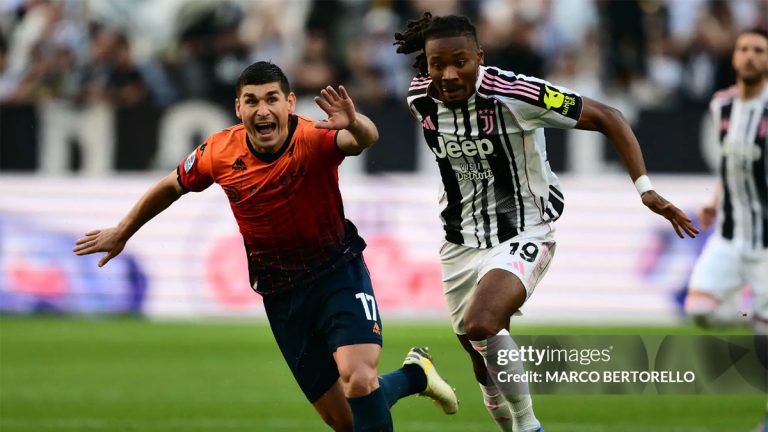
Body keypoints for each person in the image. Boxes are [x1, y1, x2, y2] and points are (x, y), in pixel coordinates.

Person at [72, 61, 458, 432]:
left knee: (359, 378)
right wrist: (123, 231)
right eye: (252, 101)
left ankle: (410, 375)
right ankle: (415, 374)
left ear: (289, 104)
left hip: (337, 274)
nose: (263, 110)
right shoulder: (218, 151)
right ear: (238, 108)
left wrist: (354, 122)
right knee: (345, 421)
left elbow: (364, 138)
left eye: (272, 99)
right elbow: (171, 185)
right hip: (281, 294)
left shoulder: (313, 137)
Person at [394, 13, 699, 432]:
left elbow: (608, 116)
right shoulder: (419, 98)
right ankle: (510, 418)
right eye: (437, 64)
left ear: (480, 57)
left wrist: (645, 189)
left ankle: (529, 426)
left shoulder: (516, 94)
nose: (448, 74)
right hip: (459, 241)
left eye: (460, 62)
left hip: (525, 230)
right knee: (482, 364)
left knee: (483, 322)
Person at [683, 28, 768, 336]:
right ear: (734, 57)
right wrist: (714, 202)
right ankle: (750, 313)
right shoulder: (721, 105)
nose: (750, 56)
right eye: (744, 49)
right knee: (698, 309)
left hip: (765, 244)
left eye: (759, 51)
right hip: (730, 236)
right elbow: (728, 164)